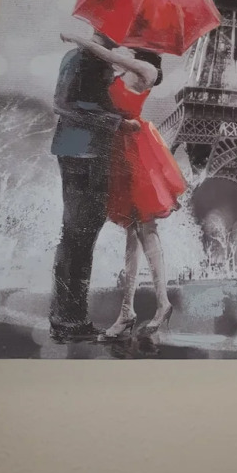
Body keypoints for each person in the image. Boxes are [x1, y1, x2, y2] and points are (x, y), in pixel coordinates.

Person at [60, 32, 187, 340]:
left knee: (145, 228)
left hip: (135, 151)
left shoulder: (148, 70)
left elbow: (109, 56)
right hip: (119, 149)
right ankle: (128, 311)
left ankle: (160, 304)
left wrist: (77, 39)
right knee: (133, 233)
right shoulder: (129, 67)